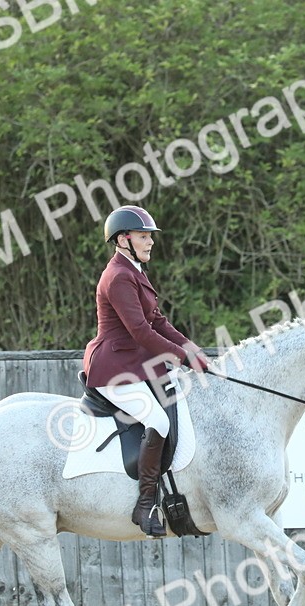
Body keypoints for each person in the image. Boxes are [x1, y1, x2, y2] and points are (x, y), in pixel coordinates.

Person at [83, 205, 211, 537]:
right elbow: (140, 331)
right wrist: (181, 358)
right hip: (114, 368)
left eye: (150, 237)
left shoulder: (135, 271)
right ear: (123, 239)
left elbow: (158, 322)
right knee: (157, 420)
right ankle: (144, 504)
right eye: (143, 236)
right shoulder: (119, 276)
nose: (150, 242)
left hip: (135, 362)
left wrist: (192, 349)